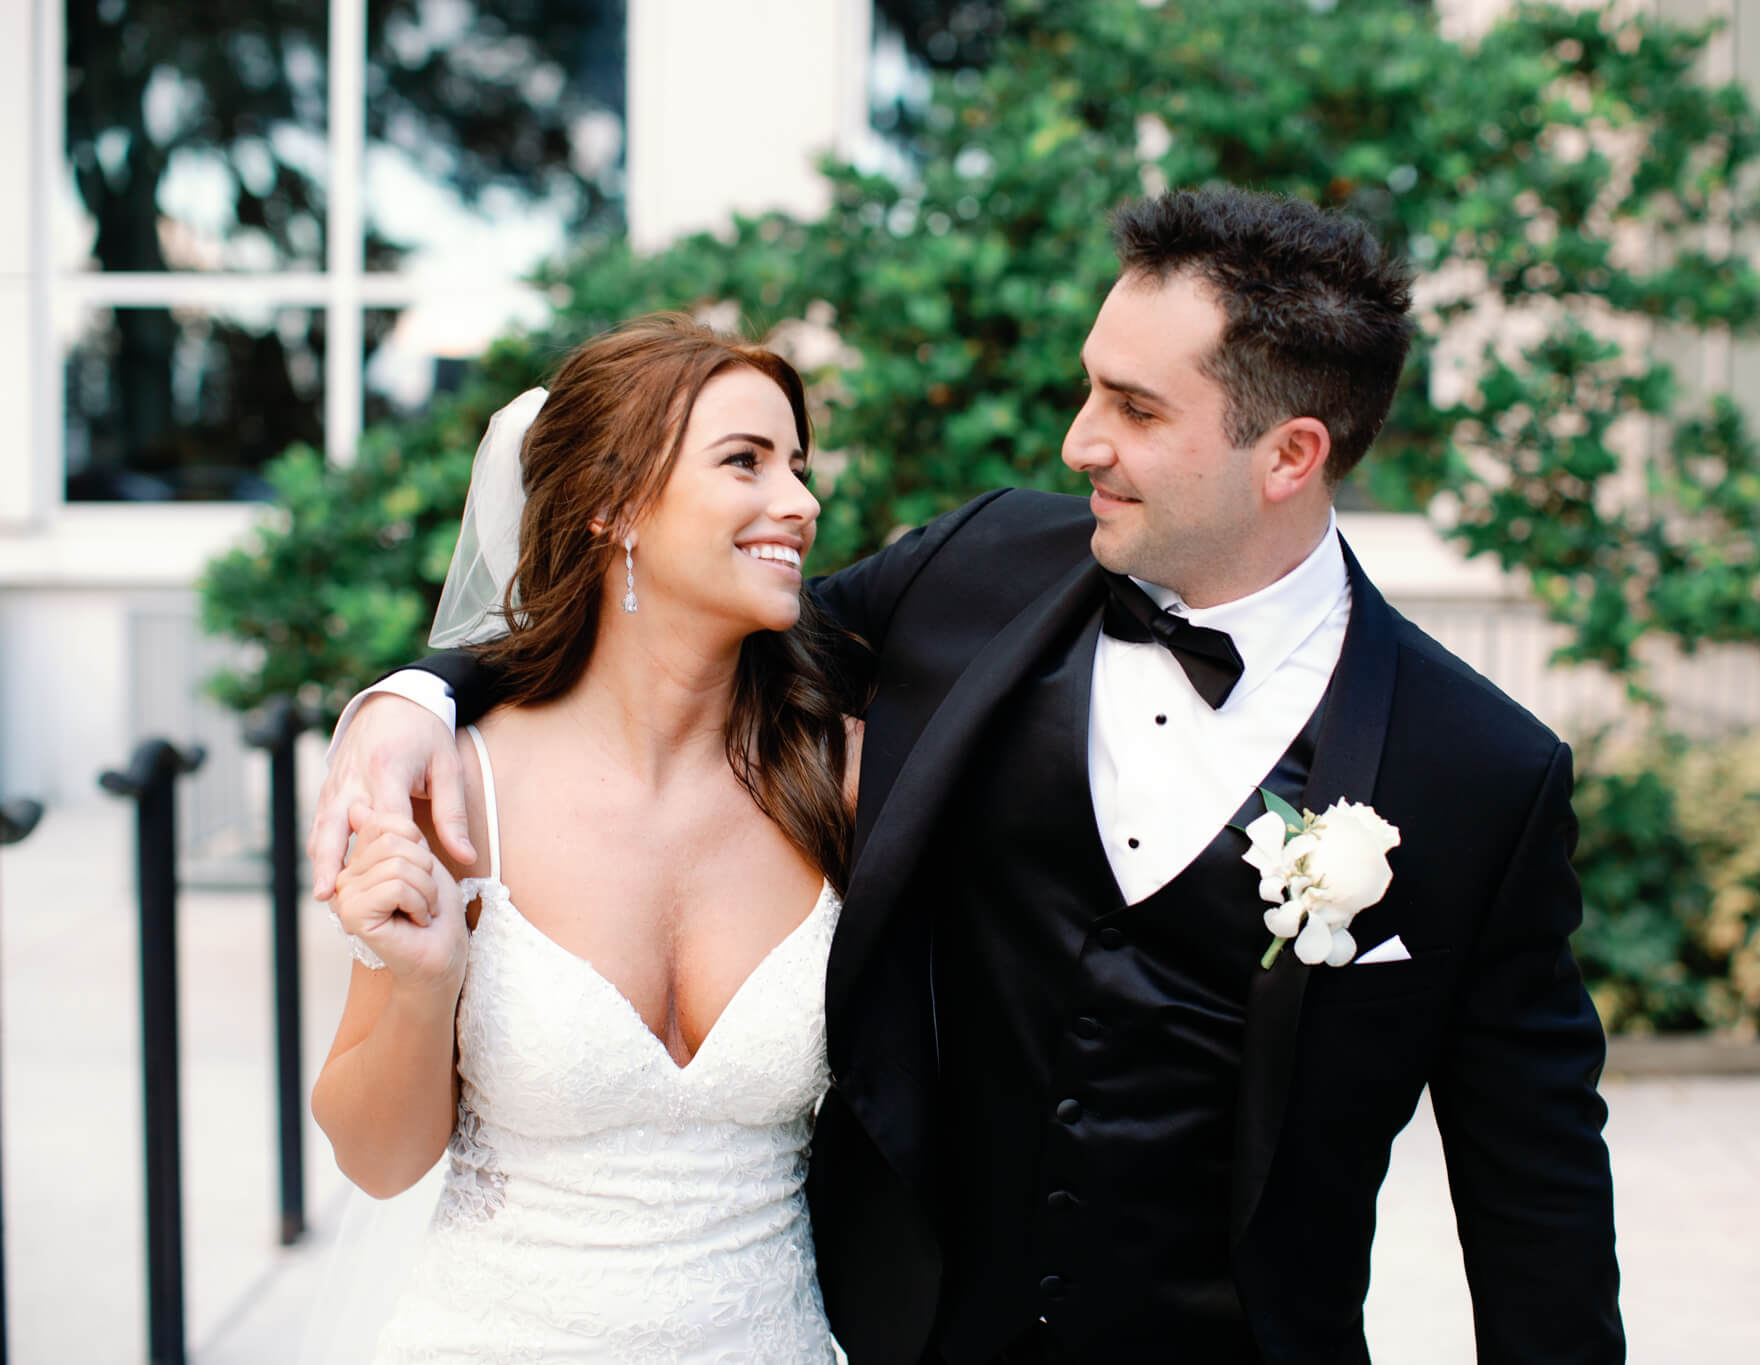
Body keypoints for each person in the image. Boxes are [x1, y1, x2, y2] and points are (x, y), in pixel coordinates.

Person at [316, 186, 1624, 1364]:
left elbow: (1536, 1199)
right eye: (1090, 386)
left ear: (1290, 455)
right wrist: (416, 695)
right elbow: (668, 635)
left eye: (1135, 409)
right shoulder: (984, 568)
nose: (1077, 441)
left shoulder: (1479, 774)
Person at [310, 313, 863, 1362]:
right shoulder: (452, 781)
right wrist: (427, 985)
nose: (800, 502)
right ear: (614, 504)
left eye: (796, 464)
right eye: (744, 462)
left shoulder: (842, 776)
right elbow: (377, 1163)